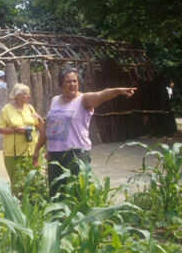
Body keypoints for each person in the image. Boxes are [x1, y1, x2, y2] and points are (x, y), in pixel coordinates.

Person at [33, 67, 136, 197]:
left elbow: (100, 95)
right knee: (55, 193)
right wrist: (37, 150)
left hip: (76, 154)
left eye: (75, 81)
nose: (72, 84)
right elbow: (48, 128)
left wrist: (117, 91)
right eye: (68, 81)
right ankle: (57, 218)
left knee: (77, 193)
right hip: (55, 155)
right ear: (60, 85)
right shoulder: (55, 101)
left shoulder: (83, 100)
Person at [0, 83, 43, 193]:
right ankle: (16, 207)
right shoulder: (7, 110)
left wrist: (40, 119)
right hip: (14, 153)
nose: (29, 96)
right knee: (16, 183)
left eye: (29, 94)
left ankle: (31, 207)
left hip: (32, 151)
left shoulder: (30, 108)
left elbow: (40, 127)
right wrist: (15, 130)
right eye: (25, 94)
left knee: (33, 181)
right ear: (18, 95)